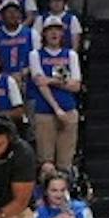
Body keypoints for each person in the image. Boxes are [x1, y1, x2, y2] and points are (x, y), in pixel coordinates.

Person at [27, 17, 83, 173]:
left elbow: (76, 85)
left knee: (65, 161)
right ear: (44, 33)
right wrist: (56, 108)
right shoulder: (35, 55)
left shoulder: (70, 54)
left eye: (57, 29)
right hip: (44, 111)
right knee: (46, 161)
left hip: (69, 110)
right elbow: (40, 83)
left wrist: (52, 81)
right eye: (50, 30)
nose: (54, 33)